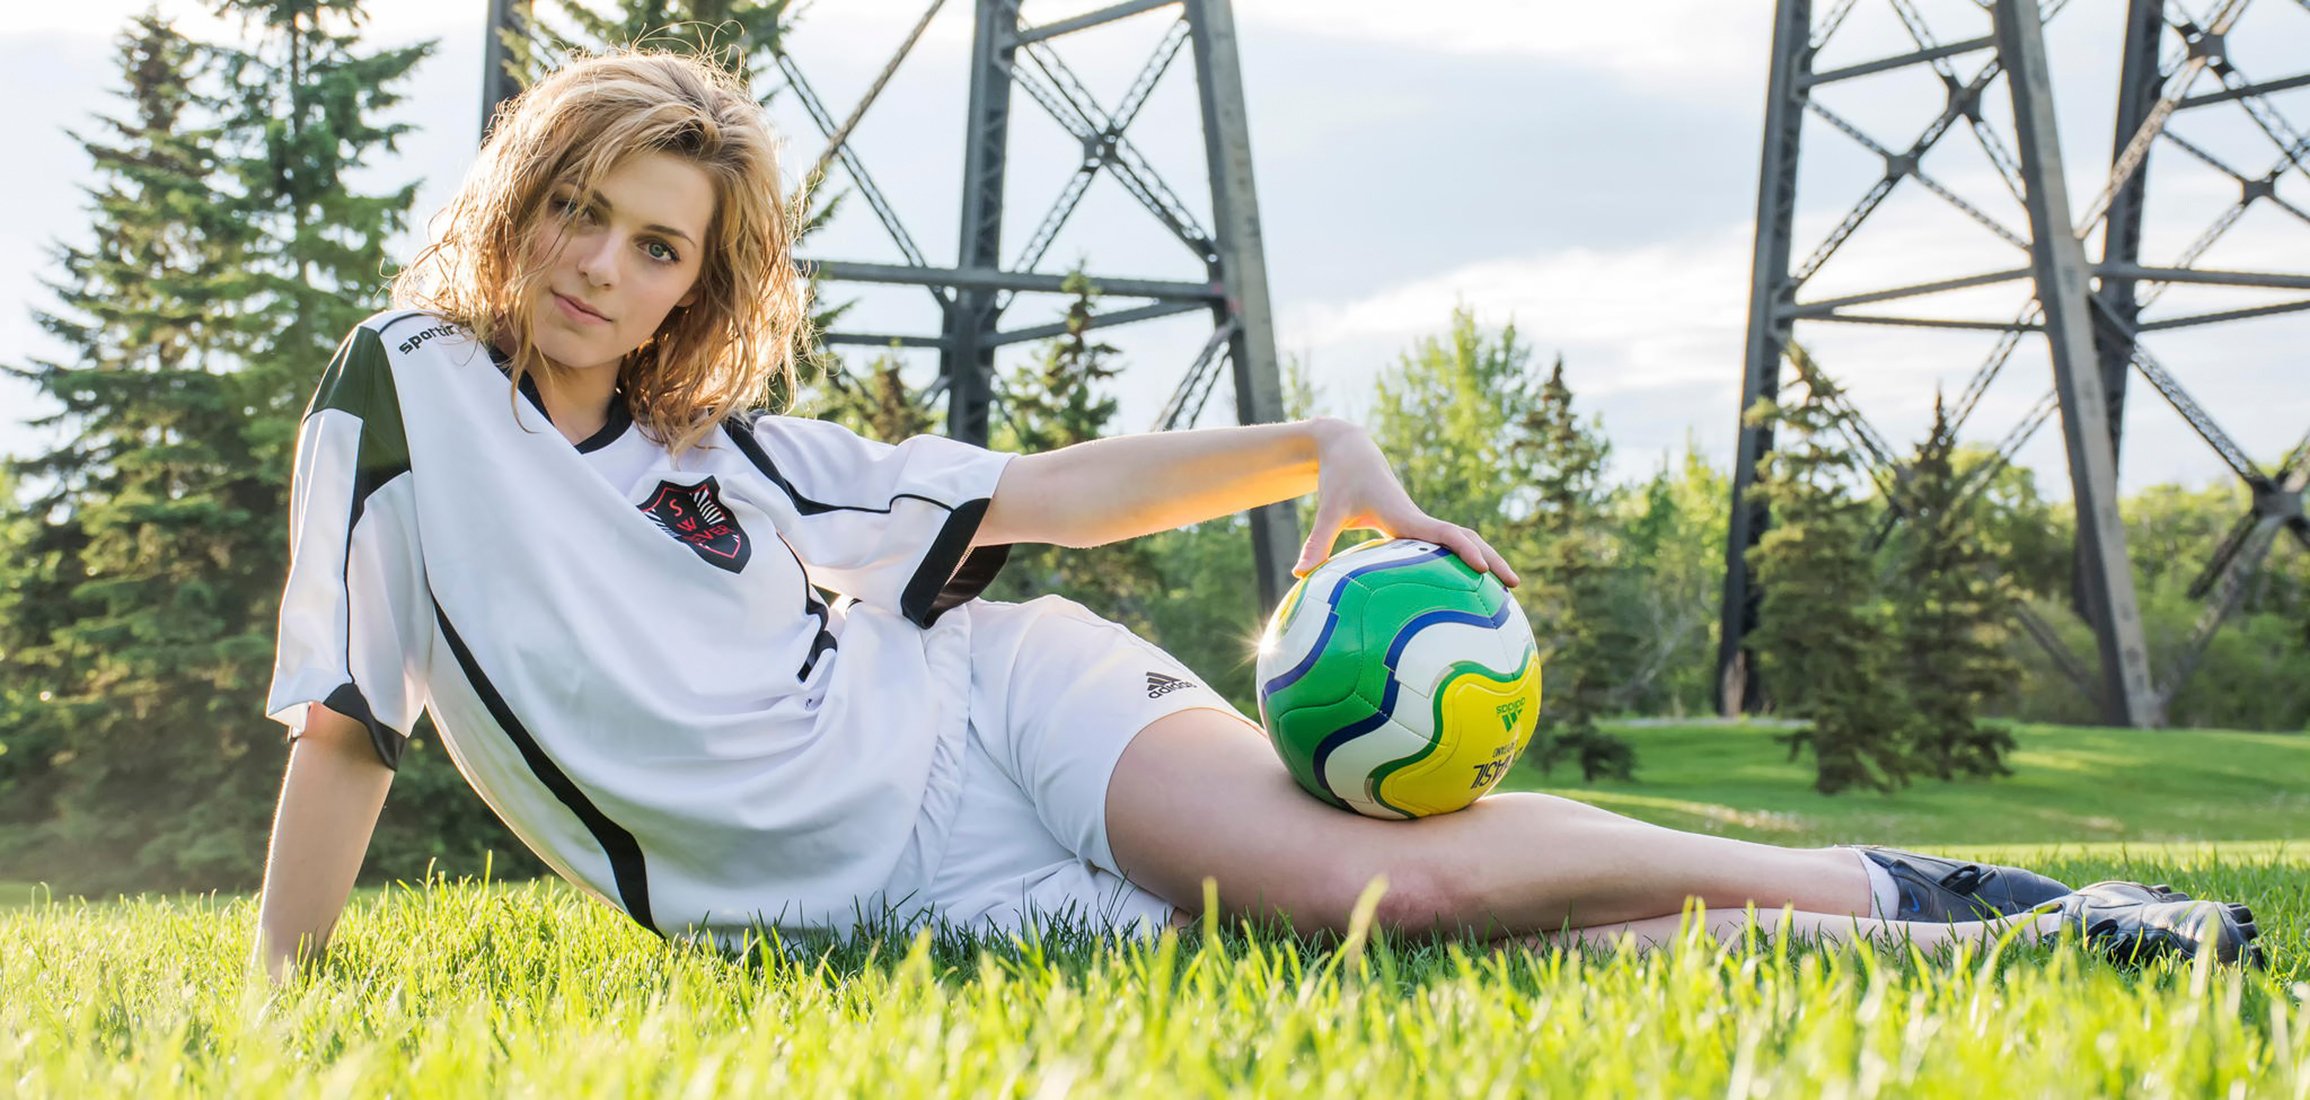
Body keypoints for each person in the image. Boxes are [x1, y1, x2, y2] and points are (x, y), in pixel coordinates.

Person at [253, 50, 2263, 983]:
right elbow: (350, 721)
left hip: (1004, 709)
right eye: (579, 212)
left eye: (656, 243)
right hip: (901, 892)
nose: (601, 265)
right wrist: (286, 993)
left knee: (1372, 884)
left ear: (698, 285)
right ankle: (2031, 951)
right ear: (519, 207)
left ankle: (1917, 890)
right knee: (1448, 943)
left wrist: (1321, 447)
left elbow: (1048, 498)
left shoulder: (745, 459)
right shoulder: (405, 392)